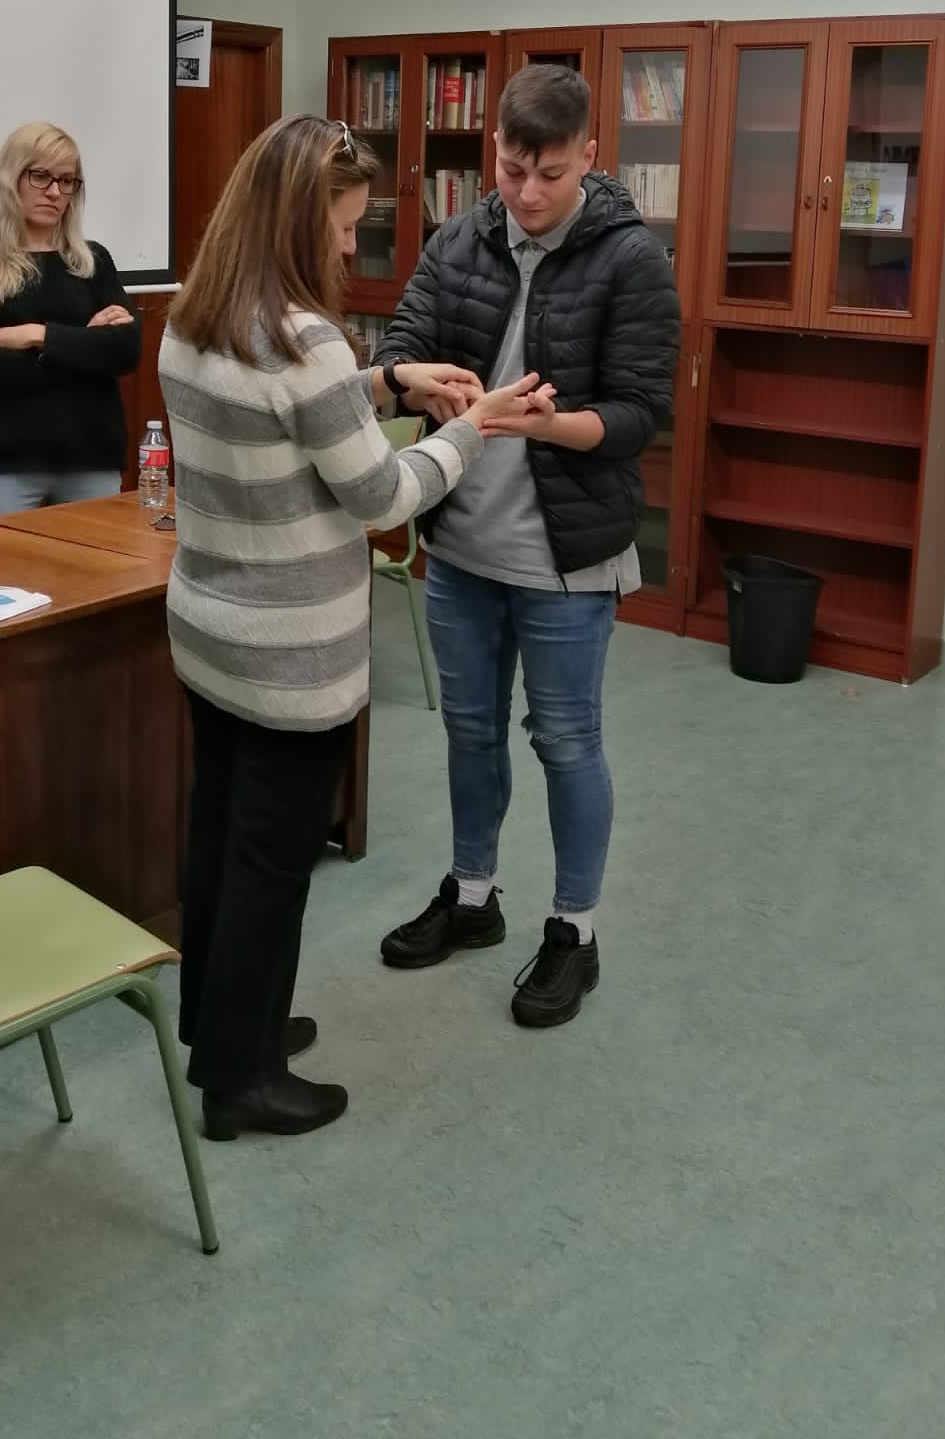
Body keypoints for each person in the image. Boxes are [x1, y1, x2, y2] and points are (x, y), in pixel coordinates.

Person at [160, 114, 539, 1141]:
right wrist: (473, 428)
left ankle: (219, 1026)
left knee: (218, 835)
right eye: (339, 226)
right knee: (272, 864)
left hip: (210, 633)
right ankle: (241, 1082)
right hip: (291, 657)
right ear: (293, 220)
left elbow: (290, 419)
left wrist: (391, 381)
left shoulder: (195, 317)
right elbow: (382, 495)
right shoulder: (306, 340)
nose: (343, 245)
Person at [373, 63, 680, 1028]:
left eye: (550, 173)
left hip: (565, 557)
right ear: (493, 151)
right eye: (512, 170)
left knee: (566, 740)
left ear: (590, 155)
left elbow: (641, 415)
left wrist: (549, 427)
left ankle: (574, 931)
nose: (529, 192)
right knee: (469, 731)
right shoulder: (459, 237)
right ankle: (472, 897)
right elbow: (398, 347)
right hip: (463, 545)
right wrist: (421, 381)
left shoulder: (631, 259)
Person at [0, 121, 140, 524]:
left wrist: (36, 335)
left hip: (91, 458)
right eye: (40, 176)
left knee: (96, 566)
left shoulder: (93, 262)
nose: (54, 192)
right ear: (10, 178)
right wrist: (83, 345)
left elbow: (125, 349)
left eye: (67, 181)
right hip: (2, 462)